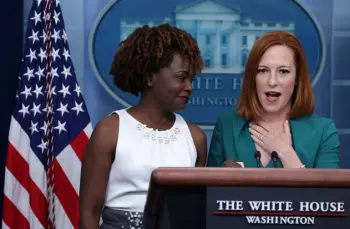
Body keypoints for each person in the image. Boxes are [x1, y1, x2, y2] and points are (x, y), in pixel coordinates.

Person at [79, 23, 207, 229]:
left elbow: (193, 212)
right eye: (182, 78)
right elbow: (89, 212)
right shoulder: (110, 131)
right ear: (149, 78)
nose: (189, 87)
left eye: (191, 79)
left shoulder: (195, 138)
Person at [207, 31, 339, 169]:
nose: (272, 81)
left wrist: (285, 153)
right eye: (262, 71)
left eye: (283, 71)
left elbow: (325, 191)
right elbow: (211, 189)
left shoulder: (324, 132)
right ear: (253, 77)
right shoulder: (227, 125)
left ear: (297, 79)